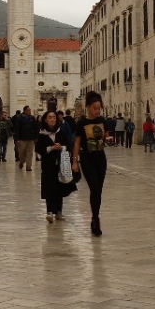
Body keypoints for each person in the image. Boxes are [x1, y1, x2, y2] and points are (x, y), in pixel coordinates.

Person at [72, 91, 114, 237]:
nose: (97, 111)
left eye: (99, 108)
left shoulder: (102, 121)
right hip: (87, 158)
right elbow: (77, 143)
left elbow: (106, 136)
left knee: (98, 190)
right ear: (88, 107)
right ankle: (95, 219)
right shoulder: (82, 123)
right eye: (95, 108)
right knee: (94, 188)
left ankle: (95, 217)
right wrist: (75, 161)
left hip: (100, 158)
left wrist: (108, 139)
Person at [35, 110, 76, 222]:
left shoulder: (60, 132)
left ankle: (58, 211)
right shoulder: (42, 134)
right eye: (50, 117)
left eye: (54, 117)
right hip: (48, 165)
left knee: (59, 187)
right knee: (49, 187)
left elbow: (69, 145)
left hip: (60, 164)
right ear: (45, 120)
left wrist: (61, 147)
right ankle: (49, 211)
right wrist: (50, 148)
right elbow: (38, 149)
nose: (52, 119)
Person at [14, 105, 38, 172]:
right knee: (22, 152)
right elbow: (17, 129)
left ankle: (28, 166)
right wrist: (17, 139)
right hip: (22, 138)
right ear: (25, 111)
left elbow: (36, 128)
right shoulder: (20, 119)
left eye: (30, 110)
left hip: (30, 138)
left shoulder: (32, 118)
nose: (30, 111)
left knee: (30, 153)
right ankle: (22, 161)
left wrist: (36, 137)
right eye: (28, 110)